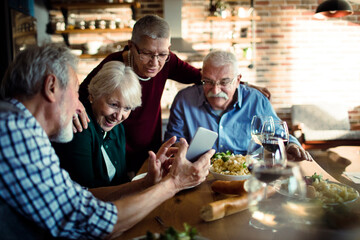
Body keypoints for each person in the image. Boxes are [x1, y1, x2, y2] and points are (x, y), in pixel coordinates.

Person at [0, 43, 214, 239]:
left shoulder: (17, 126)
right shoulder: (16, 132)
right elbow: (90, 221)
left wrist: (148, 183)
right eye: (75, 92)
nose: (78, 106)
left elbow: (79, 197)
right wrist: (175, 183)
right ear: (51, 87)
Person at [76, 14, 271, 174]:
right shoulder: (114, 64)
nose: (155, 63)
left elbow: (205, 77)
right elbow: (83, 92)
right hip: (116, 147)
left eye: (162, 54)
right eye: (146, 53)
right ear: (131, 47)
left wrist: (241, 84)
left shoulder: (168, 62)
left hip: (150, 151)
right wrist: (75, 104)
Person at [164, 50, 313, 161]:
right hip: (197, 176)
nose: (215, 91)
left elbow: (278, 135)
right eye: (208, 81)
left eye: (224, 82)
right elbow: (172, 143)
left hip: (246, 175)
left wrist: (292, 145)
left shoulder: (256, 100)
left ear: (238, 80)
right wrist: (179, 149)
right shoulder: (184, 100)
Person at [53, 61, 141, 188]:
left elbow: (121, 178)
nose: (118, 116)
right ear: (93, 96)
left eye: (127, 108)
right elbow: (86, 192)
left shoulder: (117, 128)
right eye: (113, 105)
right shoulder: (80, 128)